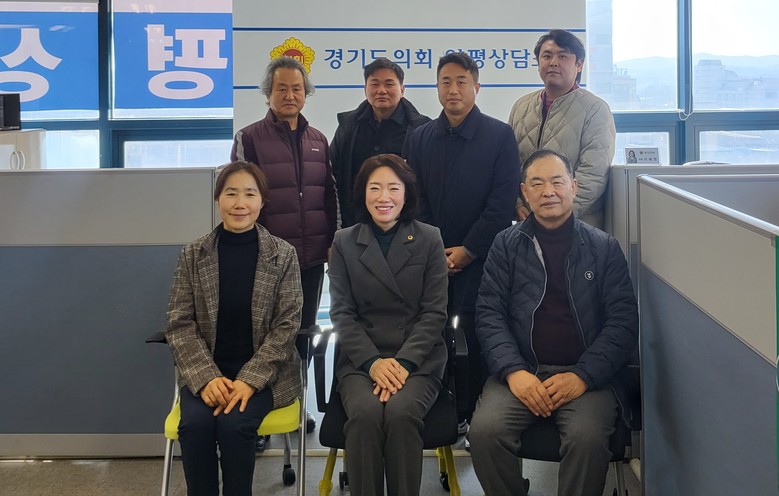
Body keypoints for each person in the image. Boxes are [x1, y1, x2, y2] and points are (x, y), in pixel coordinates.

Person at [469, 150, 638, 496]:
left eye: (557, 182)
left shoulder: (604, 248)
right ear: (524, 192)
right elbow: (489, 314)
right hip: (522, 371)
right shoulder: (505, 245)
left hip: (586, 376)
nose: (548, 191)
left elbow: (622, 323)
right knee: (484, 433)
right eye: (537, 184)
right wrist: (514, 371)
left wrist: (583, 375)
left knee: (586, 439)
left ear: (573, 187)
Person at [166, 161, 303, 496]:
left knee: (234, 425)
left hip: (266, 376)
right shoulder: (194, 254)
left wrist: (249, 380)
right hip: (208, 373)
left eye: (249, 194)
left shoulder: (283, 255)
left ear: (262, 201)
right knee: (195, 426)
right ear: (217, 199)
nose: (240, 203)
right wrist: (206, 378)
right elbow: (179, 322)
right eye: (231, 194)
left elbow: (287, 326)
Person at [406, 52, 520, 430]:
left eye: (461, 81)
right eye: (445, 82)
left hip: (484, 257)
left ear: (476, 87)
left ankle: (476, 416)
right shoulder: (420, 137)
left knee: (480, 333)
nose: (453, 89)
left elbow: (501, 203)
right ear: (437, 87)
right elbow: (414, 199)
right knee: (432, 332)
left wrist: (468, 250)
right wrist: (435, 250)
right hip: (432, 257)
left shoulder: (500, 136)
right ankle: (442, 412)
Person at [328, 154, 449, 496]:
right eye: (375, 188)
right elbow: (342, 314)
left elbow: (434, 313)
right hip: (361, 360)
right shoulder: (344, 241)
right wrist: (373, 363)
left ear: (406, 194)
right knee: (365, 415)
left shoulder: (429, 238)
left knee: (400, 414)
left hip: (417, 359)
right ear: (362, 193)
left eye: (393, 188)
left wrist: (403, 363)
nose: (384, 197)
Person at [231, 56, 338, 441]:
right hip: (267, 261)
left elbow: (328, 196)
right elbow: (242, 197)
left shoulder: (318, 140)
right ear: (268, 93)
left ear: (306, 93)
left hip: (310, 260)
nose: (290, 95)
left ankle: (293, 401)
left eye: (297, 88)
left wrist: (332, 242)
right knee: (260, 335)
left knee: (301, 334)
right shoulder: (249, 138)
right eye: (282, 88)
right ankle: (254, 409)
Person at [509, 29, 616, 229]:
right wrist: (516, 204)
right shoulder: (521, 107)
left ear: (579, 64)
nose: (553, 62)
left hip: (576, 226)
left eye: (563, 56)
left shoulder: (595, 109)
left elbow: (594, 174)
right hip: (526, 223)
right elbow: (508, 164)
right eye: (547, 56)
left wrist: (554, 214)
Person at [330, 57, 430, 227]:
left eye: (389, 84)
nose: (381, 90)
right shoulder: (348, 127)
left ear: (402, 89)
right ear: (365, 89)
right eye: (375, 84)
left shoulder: (421, 129)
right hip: (356, 225)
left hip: (405, 226)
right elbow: (334, 175)